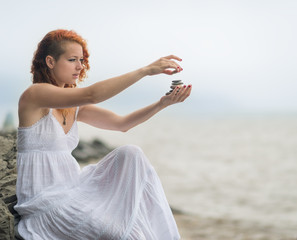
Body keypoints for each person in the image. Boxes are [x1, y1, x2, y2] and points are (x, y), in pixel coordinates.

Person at [14, 29, 192, 240]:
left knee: (131, 155)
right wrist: (146, 70)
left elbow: (122, 124)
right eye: (72, 60)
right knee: (122, 234)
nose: (80, 66)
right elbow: (93, 94)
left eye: (81, 60)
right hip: (45, 206)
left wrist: (162, 104)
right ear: (50, 61)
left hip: (74, 189)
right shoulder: (34, 95)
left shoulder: (75, 108)